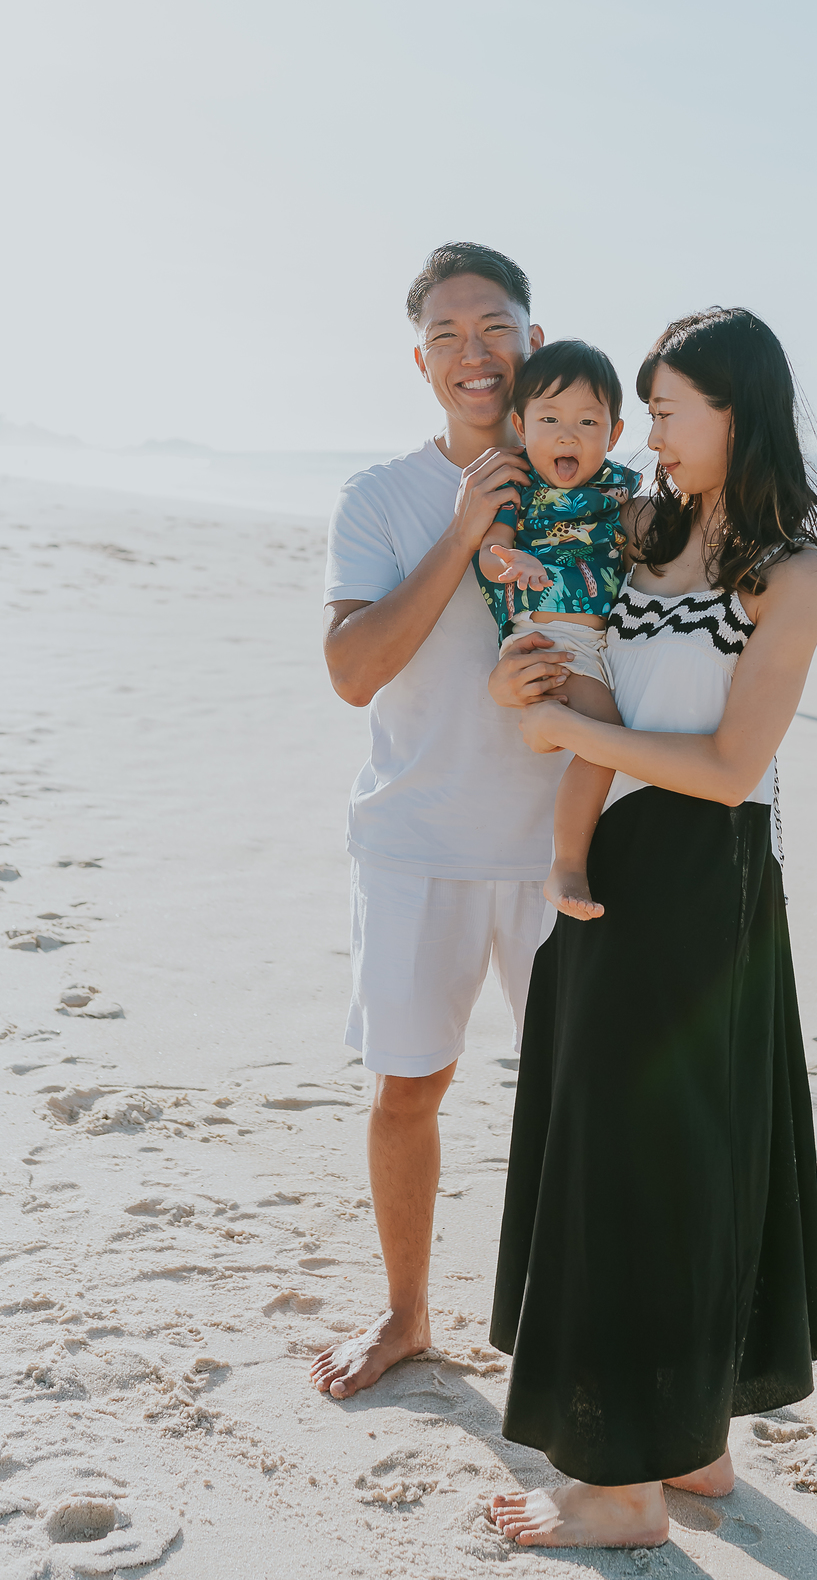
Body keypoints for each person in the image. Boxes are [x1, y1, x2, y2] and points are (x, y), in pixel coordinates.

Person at [486, 306, 817, 1548]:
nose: (652, 433)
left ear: (739, 411)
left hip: (705, 876)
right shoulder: (646, 531)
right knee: (634, 1157)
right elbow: (602, 674)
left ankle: (624, 1492)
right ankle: (686, 1446)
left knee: (656, 1161)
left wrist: (566, 731)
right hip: (614, 864)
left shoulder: (794, 575)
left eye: (672, 409)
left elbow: (733, 767)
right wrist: (534, 687)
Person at [310, 241, 576, 1401]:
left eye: (496, 327)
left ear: (532, 338)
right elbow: (352, 671)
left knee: (579, 1103)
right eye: (449, 337)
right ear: (420, 362)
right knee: (409, 1088)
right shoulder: (379, 498)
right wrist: (463, 530)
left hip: (562, 848)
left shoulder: (591, 481)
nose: (477, 354)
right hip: (416, 843)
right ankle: (407, 1313)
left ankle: (578, 1326)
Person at [473, 339, 642, 922]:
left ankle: (547, 731)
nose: (567, 436)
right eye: (549, 420)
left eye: (587, 422)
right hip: (545, 638)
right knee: (605, 739)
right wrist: (509, 562)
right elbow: (490, 552)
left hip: (596, 648)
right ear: (520, 426)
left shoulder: (621, 492)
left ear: (614, 433)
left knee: (602, 739)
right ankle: (568, 863)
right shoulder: (517, 488)